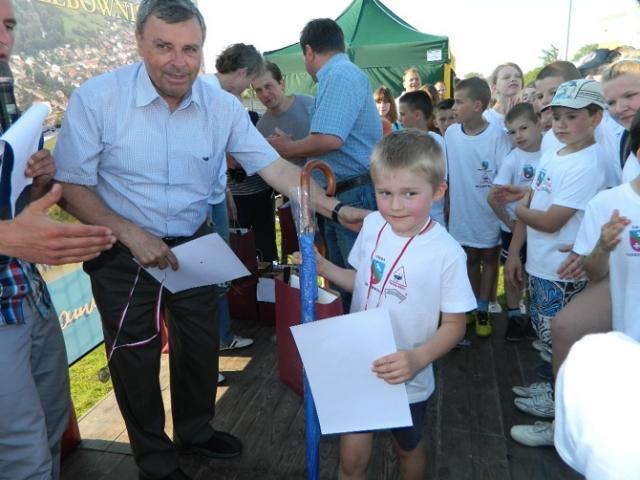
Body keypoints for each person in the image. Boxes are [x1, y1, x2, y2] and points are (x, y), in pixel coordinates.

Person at [53, 2, 364, 479]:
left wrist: (337, 210)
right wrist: (132, 234)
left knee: (200, 344)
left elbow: (275, 168)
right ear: (139, 43)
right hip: (121, 248)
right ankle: (155, 461)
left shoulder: (221, 106)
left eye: (190, 49)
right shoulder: (98, 98)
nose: (178, 62)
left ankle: (196, 430)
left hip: (193, 242)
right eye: (164, 47)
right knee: (134, 356)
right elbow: (71, 186)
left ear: (203, 49)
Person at [303, 131, 475, 480]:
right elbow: (361, 280)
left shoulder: (448, 254)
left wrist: (418, 359)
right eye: (385, 193)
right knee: (351, 460)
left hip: (407, 374)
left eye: (410, 194)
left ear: (438, 191)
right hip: (359, 362)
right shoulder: (372, 224)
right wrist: (325, 268)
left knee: (407, 449)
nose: (395, 206)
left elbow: (455, 325)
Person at [0, 2, 115, 479]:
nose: (5, 39)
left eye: (8, 25)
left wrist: (40, 178)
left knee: (49, 428)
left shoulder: (5, 98)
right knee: (22, 452)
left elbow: (18, 204)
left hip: (27, 294)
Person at [507, 79, 609, 448]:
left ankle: (561, 421)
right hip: (542, 263)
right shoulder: (556, 151)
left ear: (596, 118)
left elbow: (549, 220)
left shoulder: (589, 163)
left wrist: (518, 209)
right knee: (547, 338)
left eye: (572, 117)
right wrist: (515, 251)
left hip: (562, 271)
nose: (561, 124)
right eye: (557, 116)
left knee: (563, 346)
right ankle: (553, 390)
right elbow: (535, 200)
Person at [268, 18, 381, 310]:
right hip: (343, 191)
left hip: (351, 192)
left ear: (308, 51)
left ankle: (361, 334)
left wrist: (290, 147)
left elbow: (330, 139)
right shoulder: (342, 73)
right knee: (346, 280)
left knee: (356, 283)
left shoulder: (339, 75)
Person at [202, 43, 264, 358]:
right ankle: (210, 348)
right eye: (249, 82)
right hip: (200, 203)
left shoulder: (213, 94)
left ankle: (221, 338)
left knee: (216, 275)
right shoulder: (211, 96)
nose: (247, 90)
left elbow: (212, 156)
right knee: (209, 278)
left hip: (212, 196)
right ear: (242, 72)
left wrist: (224, 191)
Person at [446, 76, 512, 337]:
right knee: (469, 258)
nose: (453, 107)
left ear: (476, 105)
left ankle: (484, 306)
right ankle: (473, 304)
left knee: (490, 258)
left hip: (489, 212)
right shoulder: (451, 133)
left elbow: (504, 177)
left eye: (458, 102)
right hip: (462, 211)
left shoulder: (497, 136)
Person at [488, 103, 542, 341]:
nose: (518, 136)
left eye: (523, 128)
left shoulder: (552, 153)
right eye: (512, 132)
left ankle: (531, 317)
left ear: (538, 124)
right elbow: (493, 197)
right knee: (513, 275)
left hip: (541, 227)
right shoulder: (513, 159)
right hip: (514, 229)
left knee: (534, 273)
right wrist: (510, 223)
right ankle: (513, 316)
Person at [398, 91, 446, 226]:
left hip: (432, 215)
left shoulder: (436, 141)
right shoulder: (401, 142)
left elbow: (441, 178)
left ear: (417, 115)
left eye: (403, 114)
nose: (399, 119)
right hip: (408, 215)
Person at [484, 63, 524, 129]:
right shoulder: (485, 118)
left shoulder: (531, 113)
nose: (513, 79)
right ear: (494, 88)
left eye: (517, 76)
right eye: (506, 77)